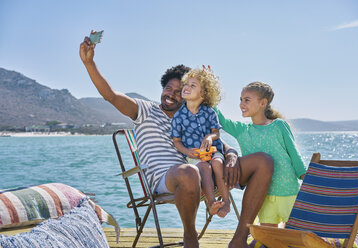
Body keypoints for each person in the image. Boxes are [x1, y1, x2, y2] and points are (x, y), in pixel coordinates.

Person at [79, 34, 273, 248]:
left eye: (180, 92)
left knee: (263, 161)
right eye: (168, 88)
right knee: (189, 171)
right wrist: (89, 63)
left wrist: (231, 155)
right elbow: (111, 96)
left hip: (202, 175)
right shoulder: (145, 110)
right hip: (166, 178)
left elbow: (217, 143)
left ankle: (239, 239)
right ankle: (191, 236)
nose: (171, 94)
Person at [214, 81, 307, 228]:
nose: (241, 104)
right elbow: (222, 120)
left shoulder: (279, 125)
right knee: (268, 239)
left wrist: (308, 180)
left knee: (296, 237)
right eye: (240, 99)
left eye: (247, 100)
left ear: (263, 103)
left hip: (289, 193)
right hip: (264, 197)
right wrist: (210, 90)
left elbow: (295, 156)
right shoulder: (241, 130)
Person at [171, 67, 230, 218]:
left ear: (203, 93)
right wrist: (187, 152)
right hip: (195, 155)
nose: (187, 87)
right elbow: (176, 141)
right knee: (203, 167)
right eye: (186, 84)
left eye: (193, 85)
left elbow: (216, 132)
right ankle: (212, 204)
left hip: (213, 151)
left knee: (217, 163)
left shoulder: (210, 112)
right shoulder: (178, 117)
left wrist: (210, 137)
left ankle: (226, 201)